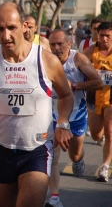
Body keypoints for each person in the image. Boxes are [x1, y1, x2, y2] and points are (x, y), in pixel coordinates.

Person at [0, 3, 74, 207]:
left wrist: (63, 124)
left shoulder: (45, 61)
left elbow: (66, 96)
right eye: (0, 29)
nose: (6, 36)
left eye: (11, 28)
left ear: (24, 26)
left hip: (36, 150)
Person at [45, 30, 103, 207]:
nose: (56, 48)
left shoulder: (78, 59)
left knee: (75, 153)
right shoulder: (45, 60)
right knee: (52, 156)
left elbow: (98, 82)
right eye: (52, 45)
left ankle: (78, 160)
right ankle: (54, 197)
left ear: (69, 43)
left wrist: (75, 85)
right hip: (52, 115)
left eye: (59, 44)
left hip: (76, 115)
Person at [82, 21, 112, 182]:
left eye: (108, 35)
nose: (105, 39)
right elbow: (77, 65)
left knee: (110, 131)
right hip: (94, 98)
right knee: (96, 135)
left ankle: (105, 167)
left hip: (111, 98)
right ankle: (101, 138)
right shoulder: (90, 51)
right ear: (97, 36)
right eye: (102, 36)